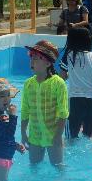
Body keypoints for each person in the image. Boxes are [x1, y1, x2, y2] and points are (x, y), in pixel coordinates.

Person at [20, 40, 68, 168]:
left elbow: (63, 113)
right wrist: (23, 133)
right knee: (33, 167)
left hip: (53, 135)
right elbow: (25, 110)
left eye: (36, 59)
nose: (32, 62)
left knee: (58, 167)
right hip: (35, 135)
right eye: (31, 58)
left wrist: (58, 136)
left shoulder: (58, 83)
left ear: (47, 63)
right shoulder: (28, 84)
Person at [59, 27, 92, 138]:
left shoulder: (68, 56)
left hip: (74, 100)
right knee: (90, 137)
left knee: (71, 137)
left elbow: (61, 78)